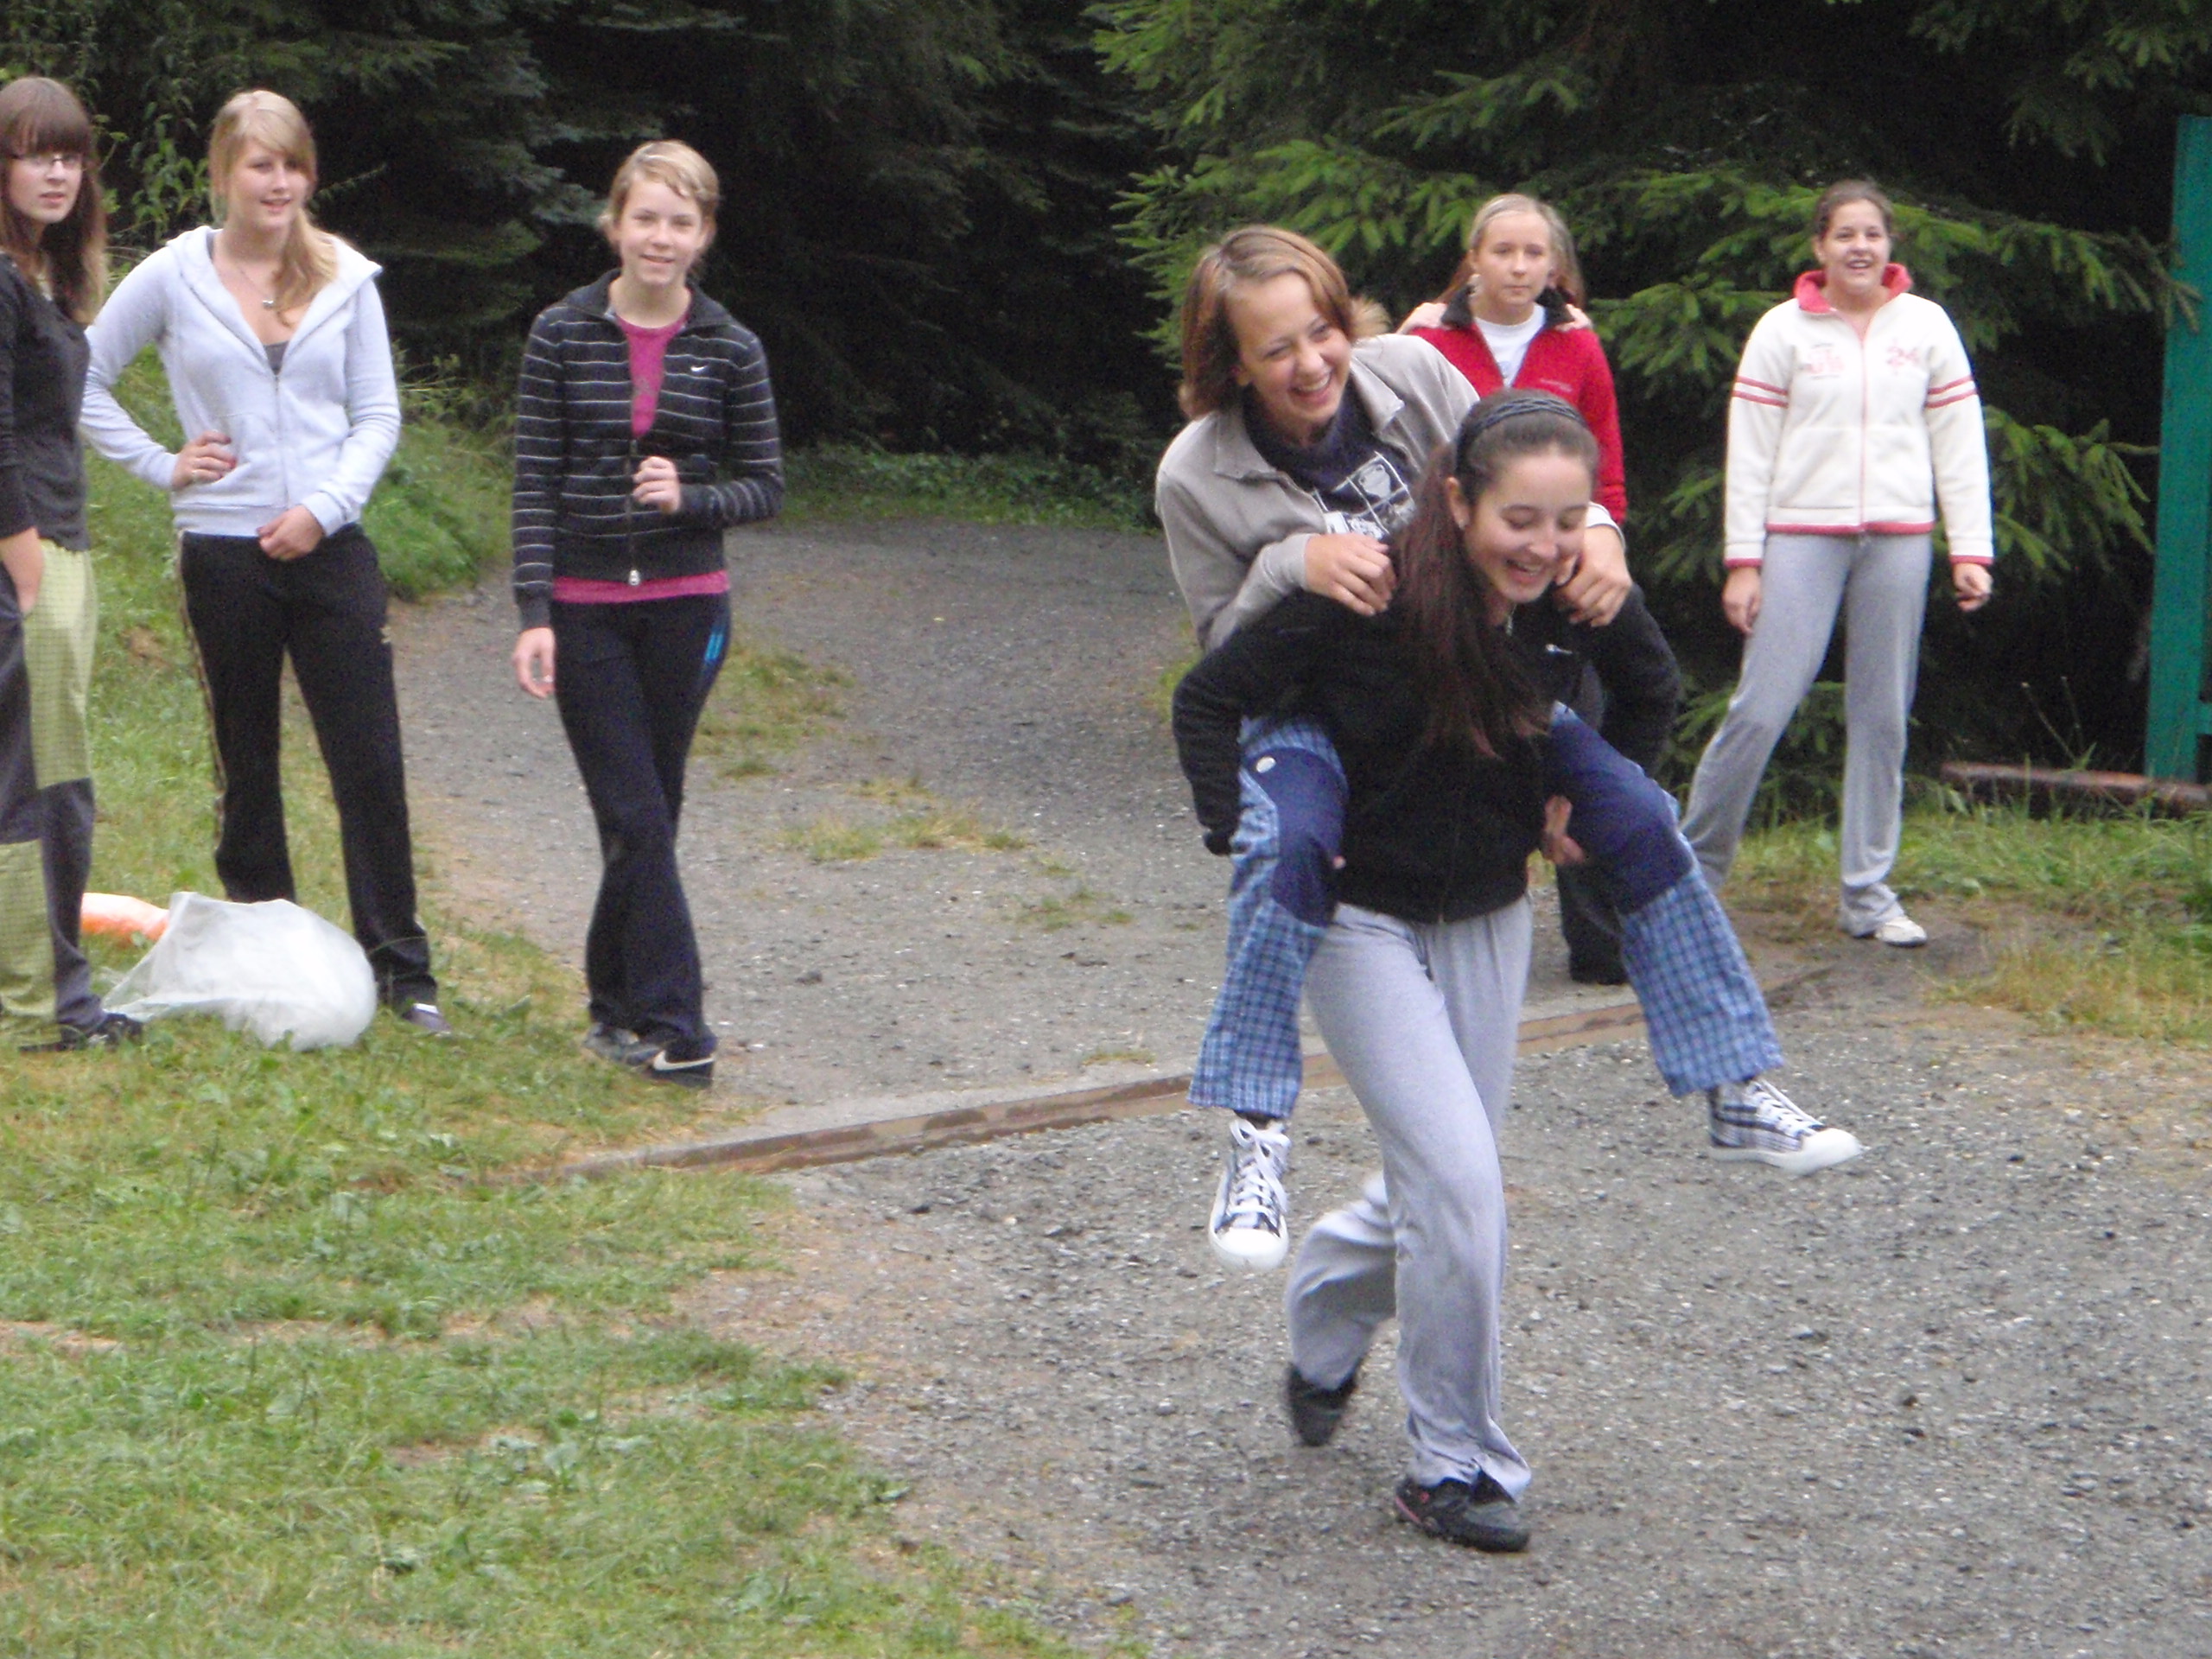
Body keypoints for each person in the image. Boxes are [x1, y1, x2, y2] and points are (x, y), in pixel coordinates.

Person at [1173, 391, 1855, 1552]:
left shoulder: (1575, 597)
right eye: (1517, 520)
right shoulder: (1368, 596)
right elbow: (1209, 699)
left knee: (1446, 1183)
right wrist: (1236, 830)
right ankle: (1454, 1465)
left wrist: (1576, 805)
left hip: (1489, 915)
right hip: (1360, 921)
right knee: (1461, 1189)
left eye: (1567, 520)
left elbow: (1652, 691)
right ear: (1456, 502)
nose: (1540, 547)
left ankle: (1325, 1308)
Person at [82, 89, 452, 1034]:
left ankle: (403, 971)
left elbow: (378, 416)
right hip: (224, 550)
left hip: (331, 550)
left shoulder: (347, 278)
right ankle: (269, 956)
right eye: (260, 164)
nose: (278, 182)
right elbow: (79, 378)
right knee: (246, 763)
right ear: (223, 174)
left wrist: (324, 512)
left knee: (368, 760)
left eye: (293, 164)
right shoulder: (175, 275)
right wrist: (163, 464)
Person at [508, 140, 782, 1089]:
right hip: (584, 610)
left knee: (649, 814)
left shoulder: (732, 346)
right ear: (614, 225)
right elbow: (533, 481)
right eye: (645, 218)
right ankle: (679, 1025)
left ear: (703, 236)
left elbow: (766, 486)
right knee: (634, 811)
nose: (660, 238)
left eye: (680, 222)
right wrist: (534, 610)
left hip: (688, 608)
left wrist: (692, 498)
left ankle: (613, 1004)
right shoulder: (560, 333)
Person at [1681, 181, 1993, 946]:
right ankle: (1690, 876)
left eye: (1872, 234)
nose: (1860, 247)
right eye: (1845, 235)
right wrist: (1744, 561)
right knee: (1761, 706)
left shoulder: (1925, 326)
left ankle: (1867, 894)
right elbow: (1750, 453)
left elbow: (1958, 442)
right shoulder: (1782, 331)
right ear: (1820, 246)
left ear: (1890, 246)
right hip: (1800, 534)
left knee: (1882, 714)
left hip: (1899, 537)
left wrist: (1971, 549)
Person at [1405, 190, 1675, 985]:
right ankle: (1433, 908)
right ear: (1473, 260)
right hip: (1456, 562)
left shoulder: (1577, 346)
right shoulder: (1426, 341)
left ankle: (1601, 927)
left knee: (1586, 716)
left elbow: (1606, 475)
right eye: (1503, 251)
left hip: (1557, 559)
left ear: (1555, 266)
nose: (1519, 267)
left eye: (1534, 254)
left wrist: (1602, 543)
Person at [0, 76, 137, 1051]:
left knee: (54, 777)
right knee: (41, 787)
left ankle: (46, 987)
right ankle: (43, 1006)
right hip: (28, 552)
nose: (56, 172)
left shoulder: (43, 273)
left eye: (70, 155)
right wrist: (25, 568)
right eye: (33, 154)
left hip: (60, 545)